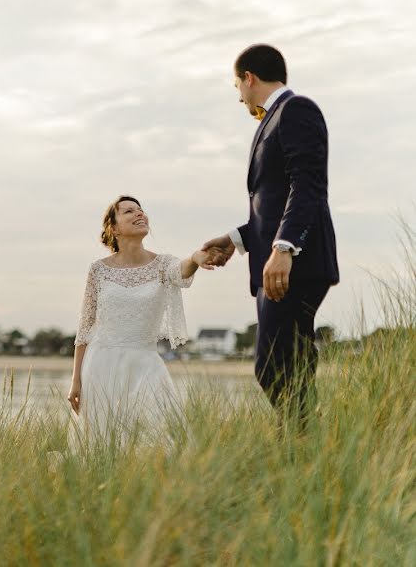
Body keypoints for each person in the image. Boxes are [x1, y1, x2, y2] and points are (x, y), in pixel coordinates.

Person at [202, 44, 339, 430]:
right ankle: (299, 444)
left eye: (237, 87)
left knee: (273, 366)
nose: (239, 97)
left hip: (293, 263)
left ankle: (300, 439)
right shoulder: (274, 120)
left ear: (249, 78)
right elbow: (273, 203)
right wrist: (235, 239)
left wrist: (284, 248)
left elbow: (308, 185)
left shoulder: (296, 110)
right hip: (281, 259)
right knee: (290, 364)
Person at [66, 196, 216, 448]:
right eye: (128, 211)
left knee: (161, 435)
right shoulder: (98, 270)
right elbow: (85, 328)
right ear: (113, 228)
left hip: (145, 362)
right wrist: (75, 380)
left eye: (141, 210)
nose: (139, 214)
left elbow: (181, 271)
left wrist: (196, 258)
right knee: (102, 441)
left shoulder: (162, 264)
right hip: (101, 363)